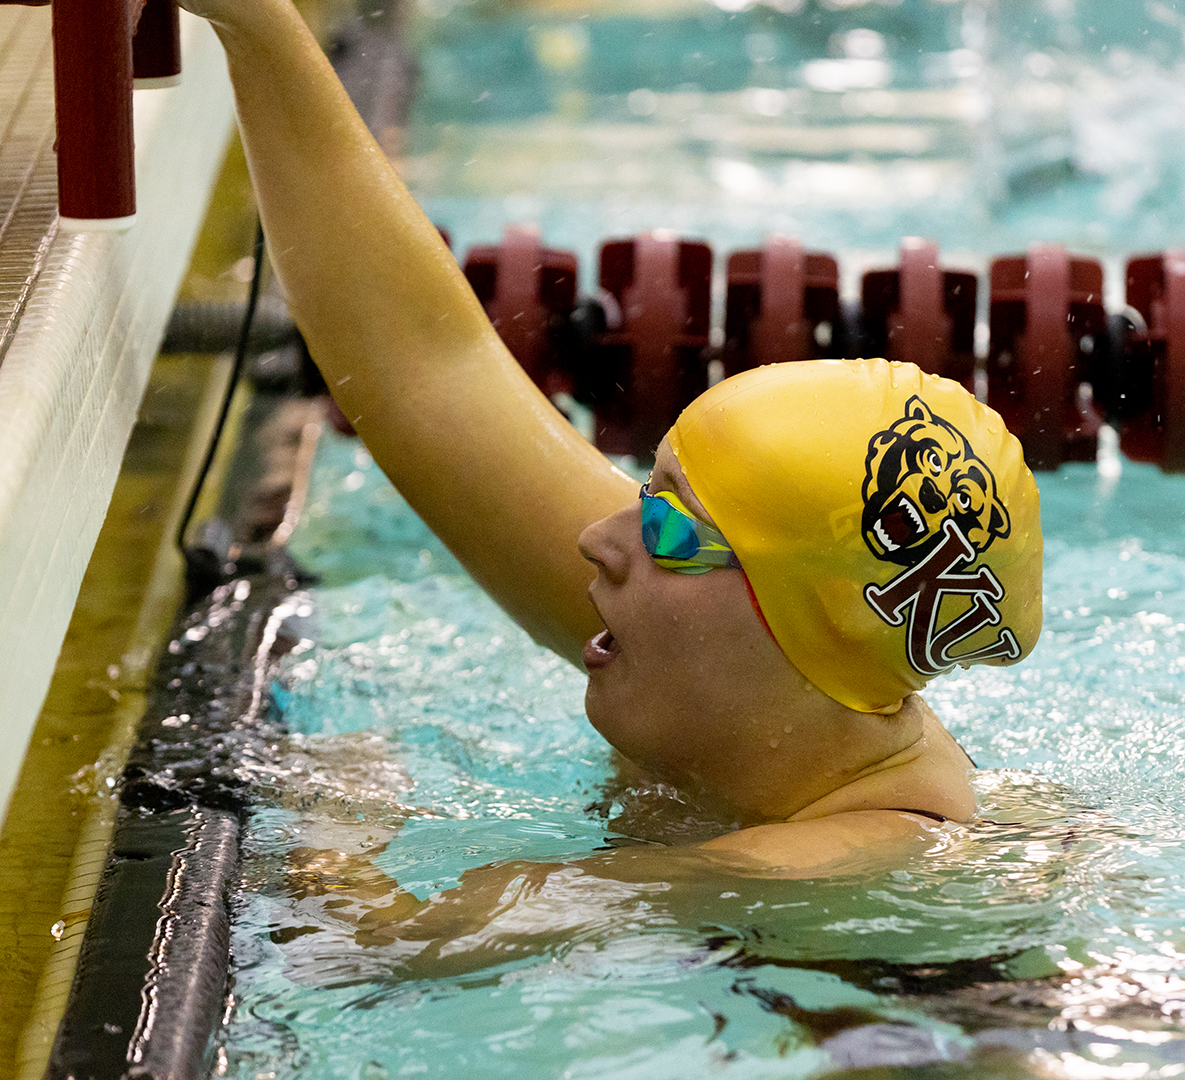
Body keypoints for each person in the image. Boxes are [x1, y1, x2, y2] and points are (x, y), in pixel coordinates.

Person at [176, 0, 1043, 964]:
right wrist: (256, 28)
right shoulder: (750, 673)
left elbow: (400, 950)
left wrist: (337, 831)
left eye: (671, 528)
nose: (600, 537)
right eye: (647, 494)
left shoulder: (844, 858)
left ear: (811, 625)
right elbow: (428, 371)